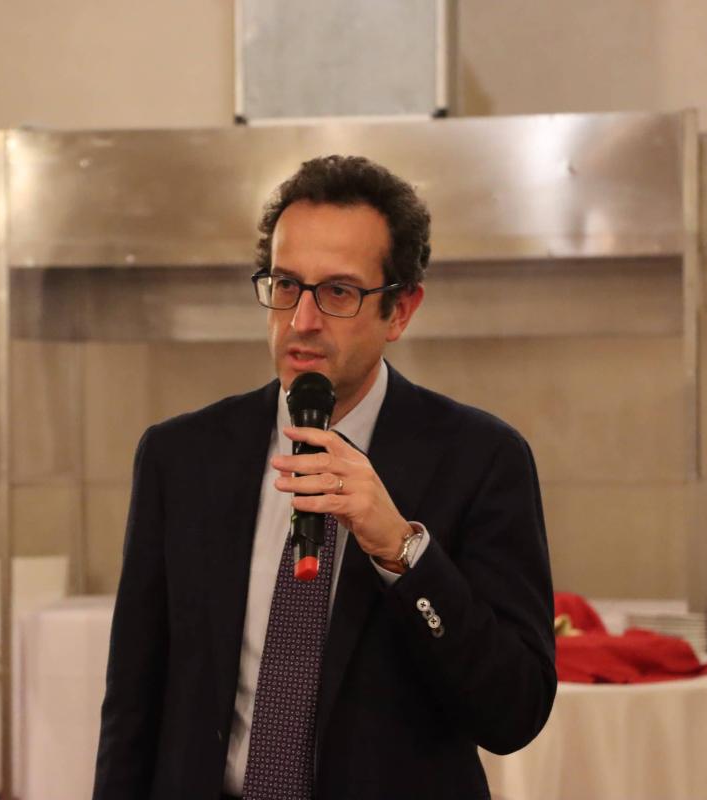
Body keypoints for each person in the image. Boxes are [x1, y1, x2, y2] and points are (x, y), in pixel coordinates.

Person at [93, 155, 556, 800]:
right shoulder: (181, 457)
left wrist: (402, 552)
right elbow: (132, 704)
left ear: (400, 310)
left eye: (338, 292)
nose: (301, 320)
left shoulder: (481, 459)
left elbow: (514, 712)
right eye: (286, 285)